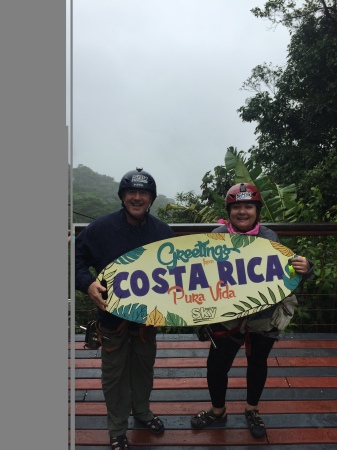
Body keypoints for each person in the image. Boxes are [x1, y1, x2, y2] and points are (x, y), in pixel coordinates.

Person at [191, 182, 313, 438]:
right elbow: (200, 275)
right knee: (216, 366)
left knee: (257, 363)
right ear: (229, 210)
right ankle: (217, 410)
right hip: (226, 317)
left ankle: (252, 409)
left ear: (257, 210)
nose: (242, 212)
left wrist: (305, 267)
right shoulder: (216, 235)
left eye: (248, 206)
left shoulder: (269, 238)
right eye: (237, 207)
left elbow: (284, 275)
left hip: (262, 316)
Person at [75, 168, 175, 450]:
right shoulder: (101, 229)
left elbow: (179, 275)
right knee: (114, 373)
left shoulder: (163, 233)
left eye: (143, 193)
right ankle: (117, 427)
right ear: (122, 196)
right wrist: (87, 284)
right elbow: (76, 257)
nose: (137, 197)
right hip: (112, 317)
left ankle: (142, 413)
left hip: (147, 320)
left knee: (144, 368)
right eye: (131, 192)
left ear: (151, 198)